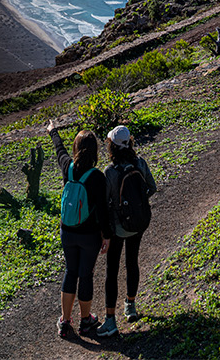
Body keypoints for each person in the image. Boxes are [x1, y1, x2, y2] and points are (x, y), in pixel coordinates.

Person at [49, 126, 111, 339]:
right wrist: (107, 236)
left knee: (70, 271)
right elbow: (103, 211)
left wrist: (53, 131)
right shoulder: (97, 177)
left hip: (67, 231)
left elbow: (60, 151)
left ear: (75, 147)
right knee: (85, 275)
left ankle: (65, 322)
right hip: (89, 235)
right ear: (95, 152)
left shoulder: (68, 168)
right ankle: (86, 321)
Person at [99, 125, 157, 337]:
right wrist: (137, 205)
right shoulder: (140, 163)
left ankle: (110, 319)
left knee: (112, 271)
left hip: (118, 227)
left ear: (112, 146)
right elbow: (152, 187)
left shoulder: (110, 171)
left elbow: (105, 203)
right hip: (139, 223)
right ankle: (130, 305)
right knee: (132, 262)